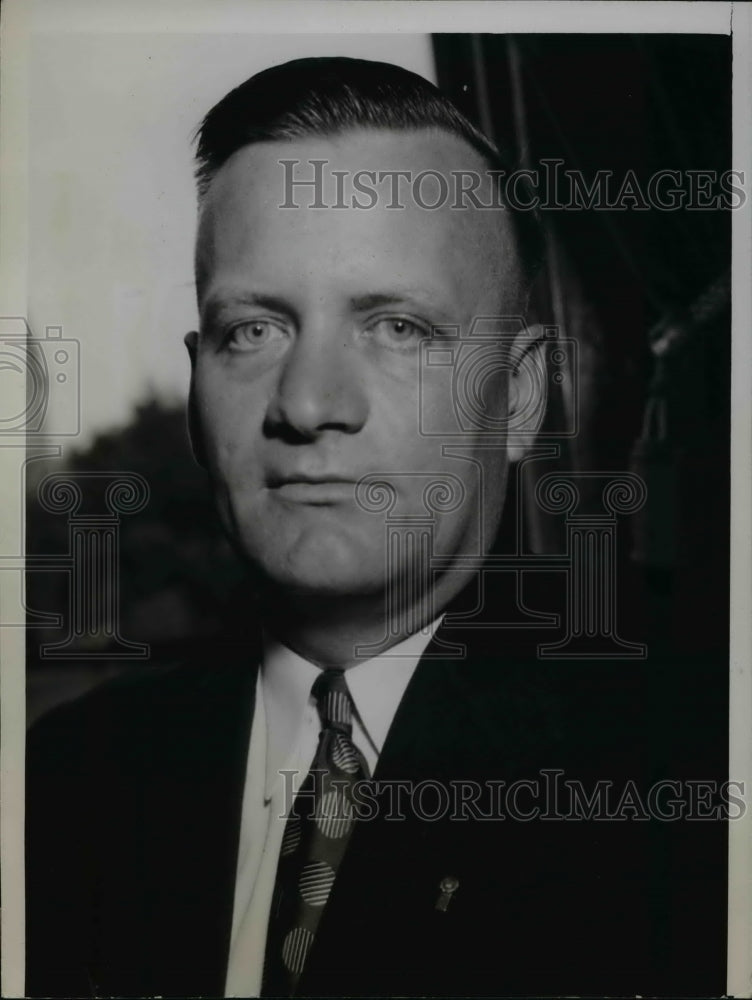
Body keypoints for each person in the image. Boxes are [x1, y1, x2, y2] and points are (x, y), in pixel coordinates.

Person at [26, 57, 726, 998]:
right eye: (253, 330)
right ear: (199, 386)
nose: (309, 403)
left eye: (398, 328)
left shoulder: (692, 790)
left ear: (519, 398)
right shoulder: (60, 788)